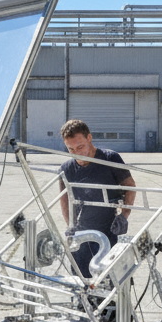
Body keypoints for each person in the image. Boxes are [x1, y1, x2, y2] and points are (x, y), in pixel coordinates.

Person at [57, 119, 136, 277]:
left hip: (110, 228)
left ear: (89, 138)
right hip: (82, 230)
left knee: (112, 278)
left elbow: (130, 187)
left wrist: (124, 216)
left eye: (80, 147)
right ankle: (83, 302)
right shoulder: (66, 169)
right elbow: (64, 200)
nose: (77, 153)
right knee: (82, 280)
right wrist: (70, 225)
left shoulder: (110, 158)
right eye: (71, 149)